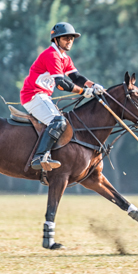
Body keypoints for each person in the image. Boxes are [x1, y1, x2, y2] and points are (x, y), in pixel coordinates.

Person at [20, 22, 105, 170]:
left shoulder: (64, 58)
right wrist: (83, 92)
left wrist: (93, 85)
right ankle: (39, 157)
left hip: (43, 96)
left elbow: (76, 77)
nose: (69, 41)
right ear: (56, 40)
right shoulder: (52, 55)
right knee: (58, 121)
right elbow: (60, 84)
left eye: (71, 38)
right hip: (33, 95)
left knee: (62, 121)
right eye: (65, 38)